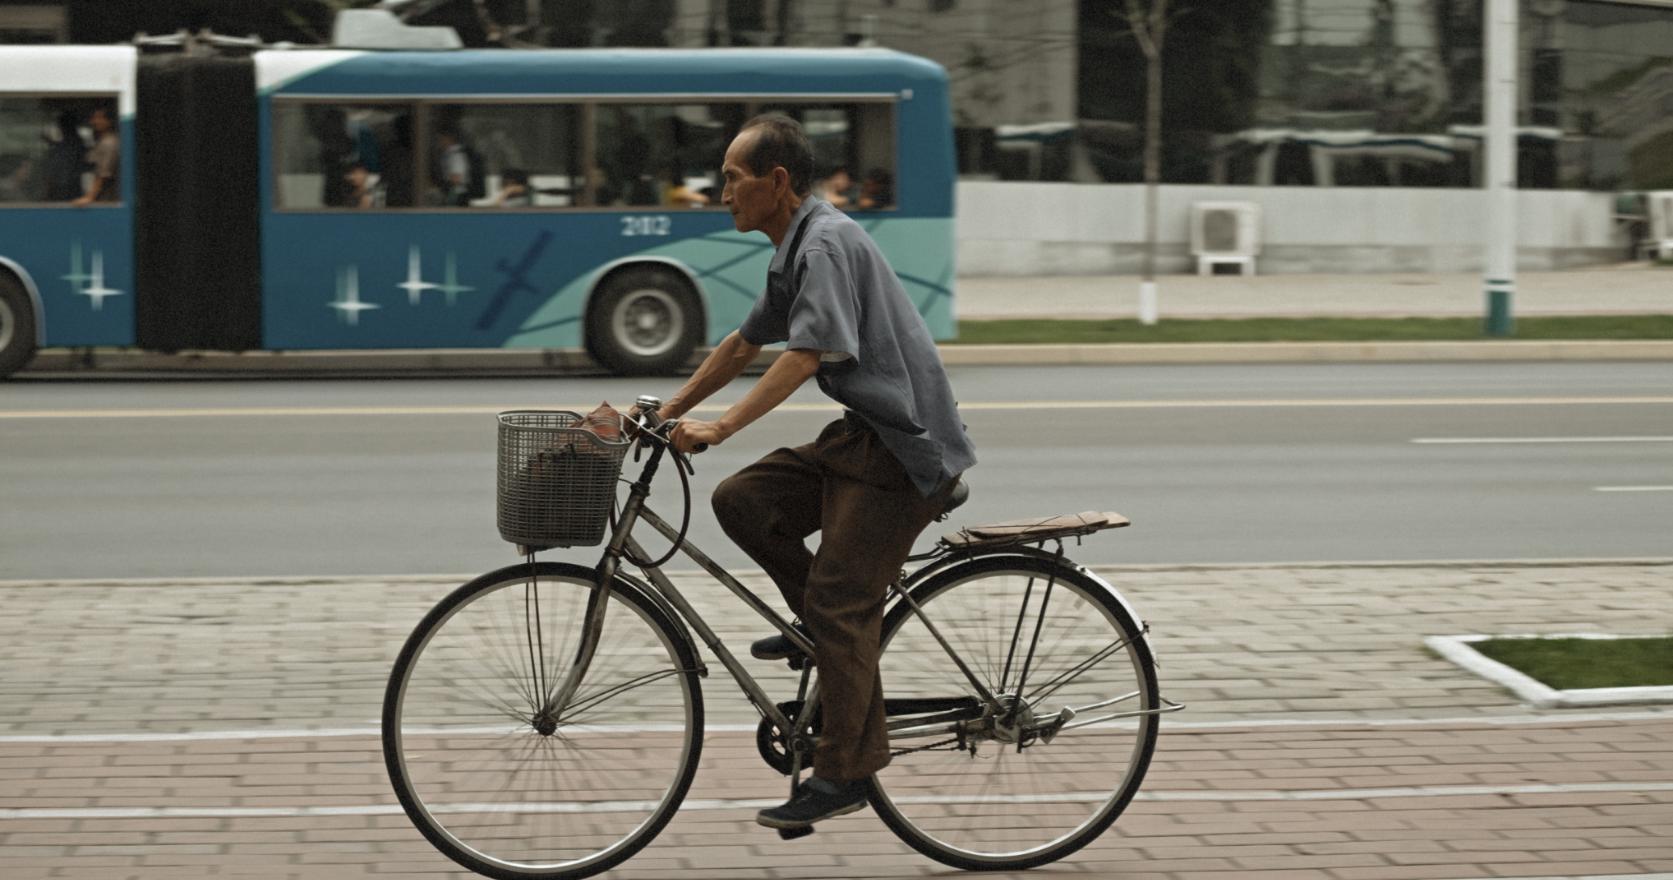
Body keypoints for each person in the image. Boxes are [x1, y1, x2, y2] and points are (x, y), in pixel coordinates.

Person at [643, 113, 976, 832]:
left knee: (839, 604)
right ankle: (820, 635)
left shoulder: (822, 243)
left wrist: (720, 427)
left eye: (732, 179)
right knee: (744, 500)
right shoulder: (793, 246)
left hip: (904, 450)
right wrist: (666, 411)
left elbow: (804, 356)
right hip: (862, 437)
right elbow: (744, 343)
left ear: (777, 181)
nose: (721, 192)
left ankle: (841, 773)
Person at [73, 106, 118, 206]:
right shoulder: (99, 141)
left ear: (109, 121)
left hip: (105, 199)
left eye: (100, 118)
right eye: (93, 118)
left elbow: (103, 173)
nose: (95, 121)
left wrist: (90, 197)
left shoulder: (109, 142)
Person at [41, 111, 85, 202]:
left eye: (61, 126)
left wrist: (47, 189)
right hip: (70, 187)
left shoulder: (73, 143)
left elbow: (56, 167)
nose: (60, 128)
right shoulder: (76, 142)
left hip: (64, 188)